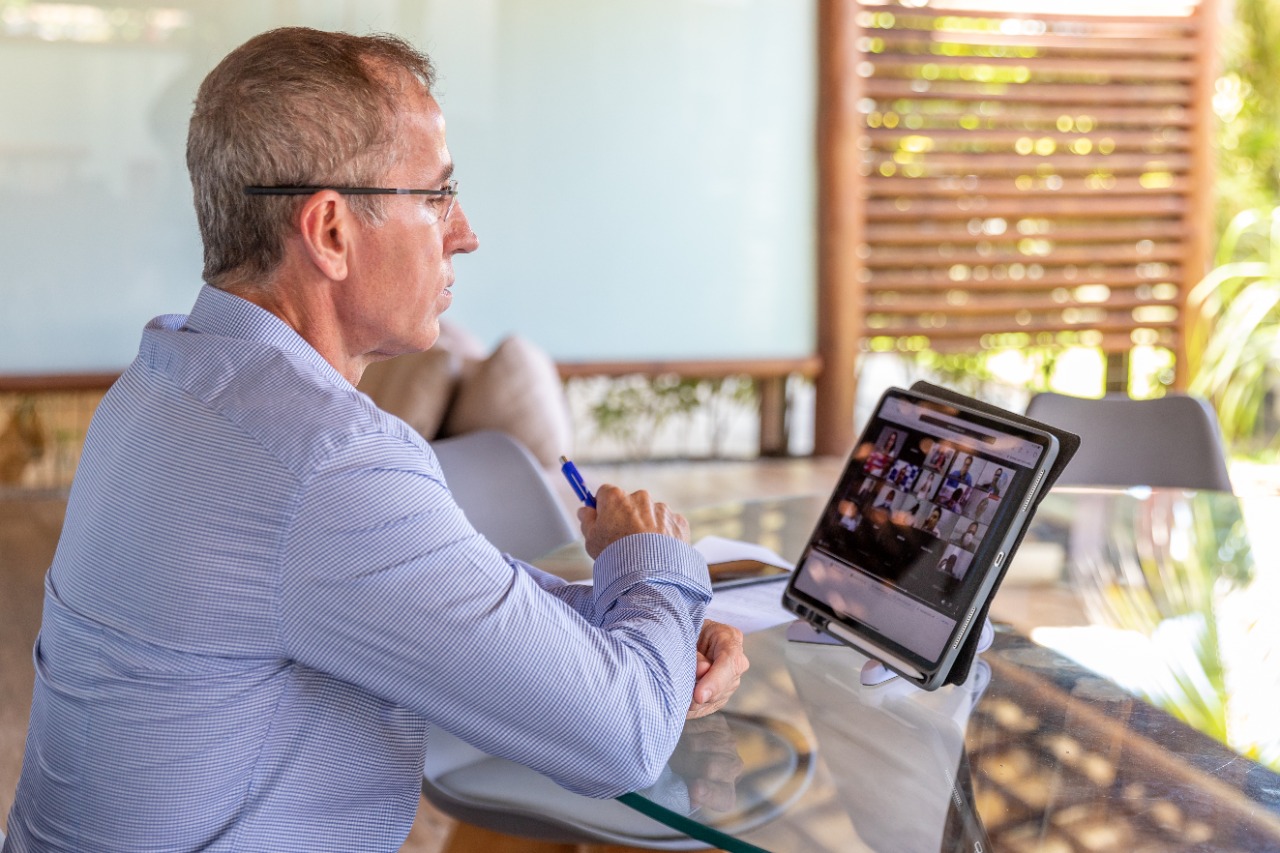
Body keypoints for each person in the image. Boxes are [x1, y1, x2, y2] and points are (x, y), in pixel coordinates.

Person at [3, 28, 747, 853]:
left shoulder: (162, 383)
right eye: (436, 195)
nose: (463, 231)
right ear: (329, 232)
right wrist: (654, 568)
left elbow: (451, 594)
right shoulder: (326, 464)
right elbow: (626, 738)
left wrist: (637, 620)